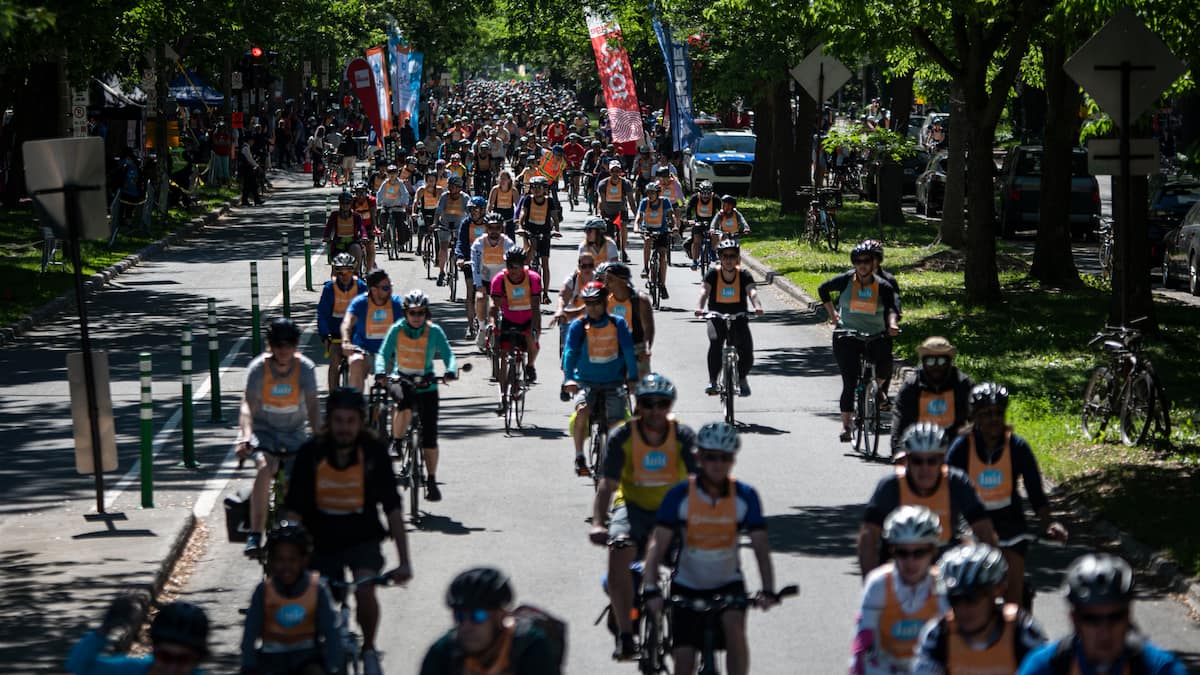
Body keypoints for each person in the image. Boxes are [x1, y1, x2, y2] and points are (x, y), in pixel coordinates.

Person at [284, 387, 414, 675]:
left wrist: (404, 561)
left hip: (362, 538)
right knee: (315, 602)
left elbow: (392, 508)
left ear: (361, 422)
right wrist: (287, 554)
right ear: (330, 421)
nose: (344, 428)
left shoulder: (374, 452)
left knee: (365, 590)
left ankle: (368, 649)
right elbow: (294, 508)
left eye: (351, 421)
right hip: (320, 541)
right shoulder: (311, 452)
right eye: (339, 421)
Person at [643, 422, 780, 675]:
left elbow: (760, 546)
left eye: (725, 458)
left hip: (728, 585)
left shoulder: (746, 496)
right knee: (684, 662)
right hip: (686, 586)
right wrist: (651, 589)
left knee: (734, 628)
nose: (718, 464)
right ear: (699, 458)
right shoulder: (679, 495)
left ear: (733, 460)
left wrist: (768, 590)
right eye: (710, 457)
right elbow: (658, 544)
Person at [590, 374, 697, 660]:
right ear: (639, 405)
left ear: (669, 405)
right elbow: (607, 486)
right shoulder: (622, 436)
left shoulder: (683, 436)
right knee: (618, 551)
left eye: (662, 404)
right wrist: (599, 523)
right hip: (632, 507)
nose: (655, 410)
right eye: (648, 403)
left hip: (674, 511)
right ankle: (626, 636)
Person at [947, 383, 1068, 606]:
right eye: (986, 414)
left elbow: (1035, 491)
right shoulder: (961, 447)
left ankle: (1016, 630)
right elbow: (947, 489)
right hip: (972, 526)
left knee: (1013, 596)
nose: (993, 419)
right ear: (975, 417)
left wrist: (1049, 522)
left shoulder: (1018, 447)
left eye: (998, 413)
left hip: (1011, 526)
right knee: (971, 593)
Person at [857, 423, 998, 577]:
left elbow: (984, 531)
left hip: (946, 570)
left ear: (942, 460)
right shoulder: (890, 486)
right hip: (901, 568)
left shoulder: (956, 482)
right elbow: (868, 536)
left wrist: (990, 578)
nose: (925, 468)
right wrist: (870, 579)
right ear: (907, 460)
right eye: (917, 461)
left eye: (932, 461)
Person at [1017, 554, 1188, 675]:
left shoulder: (1160, 669)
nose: (1104, 631)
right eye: (1091, 619)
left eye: (1115, 617)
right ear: (1075, 620)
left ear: (1128, 615)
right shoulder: (1045, 667)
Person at [236, 318, 321, 557]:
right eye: (278, 345)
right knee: (265, 468)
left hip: (295, 435)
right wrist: (245, 437)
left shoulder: (305, 368)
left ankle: (298, 529)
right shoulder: (258, 369)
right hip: (264, 435)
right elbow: (247, 407)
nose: (283, 350)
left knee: (297, 481)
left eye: (289, 344)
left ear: (296, 346)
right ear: (270, 345)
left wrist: (320, 439)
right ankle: (255, 533)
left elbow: (314, 408)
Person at [375, 289, 458, 503]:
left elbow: (449, 355)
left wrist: (451, 370)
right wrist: (380, 372)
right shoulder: (397, 330)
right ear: (406, 313)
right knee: (403, 402)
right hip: (401, 379)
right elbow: (383, 354)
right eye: (413, 313)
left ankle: (430, 480)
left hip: (426, 384)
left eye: (421, 313)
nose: (417, 317)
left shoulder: (434, 331)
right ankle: (396, 441)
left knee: (430, 437)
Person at [911, 543, 1047, 674]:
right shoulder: (937, 635)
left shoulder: (1024, 633)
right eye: (955, 599)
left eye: (972, 598)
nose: (963, 609)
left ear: (997, 591)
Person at [850, 505, 948, 675]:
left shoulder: (944, 584)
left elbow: (957, 640)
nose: (910, 561)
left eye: (919, 553)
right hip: (886, 667)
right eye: (902, 553)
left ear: (933, 551)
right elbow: (863, 641)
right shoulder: (878, 583)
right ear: (892, 551)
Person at [819, 242, 901, 442]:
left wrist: (892, 324)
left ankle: (878, 389)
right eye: (858, 261)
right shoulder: (847, 279)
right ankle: (846, 427)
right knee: (850, 382)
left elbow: (893, 308)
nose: (862, 265)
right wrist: (833, 315)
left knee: (885, 365)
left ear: (874, 262)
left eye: (866, 261)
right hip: (848, 336)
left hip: (875, 334)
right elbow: (823, 289)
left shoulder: (885, 284)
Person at [240, 523, 342, 675]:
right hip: (271, 662)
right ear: (272, 562)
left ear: (304, 560)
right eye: (280, 560)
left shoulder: (317, 589)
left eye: (292, 559)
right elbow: (249, 635)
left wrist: (334, 666)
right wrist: (248, 666)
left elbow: (331, 632)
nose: (286, 566)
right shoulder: (263, 591)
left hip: (308, 660)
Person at [420, 567, 560, 674]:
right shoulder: (442, 653)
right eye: (460, 616)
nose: (466, 626)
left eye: (478, 616)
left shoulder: (531, 648)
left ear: (501, 615)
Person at [562, 281, 639, 474]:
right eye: (588, 303)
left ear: (605, 302)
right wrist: (569, 378)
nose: (592, 308)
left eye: (596, 303)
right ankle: (580, 456)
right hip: (585, 382)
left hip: (614, 381)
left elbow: (629, 352)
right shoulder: (578, 326)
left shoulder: (618, 324)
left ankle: (614, 458)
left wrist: (633, 377)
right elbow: (569, 353)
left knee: (616, 422)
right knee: (582, 411)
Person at [67, 596, 209, 674]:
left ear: (197, 660)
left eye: (183, 660)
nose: (171, 669)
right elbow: (78, 666)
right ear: (153, 649)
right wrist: (102, 632)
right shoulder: (130, 670)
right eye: (165, 657)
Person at [694, 239, 764, 397]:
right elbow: (704, 292)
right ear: (720, 257)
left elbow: (752, 292)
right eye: (725, 256)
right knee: (715, 342)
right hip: (716, 316)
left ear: (738, 258)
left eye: (732, 256)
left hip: (739, 317)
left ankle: (742, 378)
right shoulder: (713, 274)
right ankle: (713, 381)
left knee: (746, 351)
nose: (728, 260)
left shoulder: (744, 275)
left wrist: (757, 306)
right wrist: (699, 308)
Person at [892, 337, 973, 453]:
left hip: (954, 447)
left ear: (949, 362)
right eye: (930, 361)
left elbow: (977, 418)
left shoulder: (963, 384)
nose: (936, 366)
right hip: (919, 448)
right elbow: (900, 420)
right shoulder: (912, 385)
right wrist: (898, 451)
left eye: (941, 361)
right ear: (923, 362)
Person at [489, 248, 543, 408]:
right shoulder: (499, 279)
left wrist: (535, 329)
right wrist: (492, 323)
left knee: (531, 339)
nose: (513, 270)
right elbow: (494, 306)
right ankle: (502, 397)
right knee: (504, 358)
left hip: (528, 318)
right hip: (508, 319)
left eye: (517, 266)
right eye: (510, 266)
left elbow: (535, 306)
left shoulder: (533, 278)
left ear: (523, 265)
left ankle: (530, 366)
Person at [340, 268, 405, 392]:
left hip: (390, 355)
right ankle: (356, 405)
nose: (390, 290)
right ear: (374, 290)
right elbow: (347, 323)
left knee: (403, 392)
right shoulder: (360, 303)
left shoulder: (396, 303)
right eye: (385, 288)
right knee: (355, 362)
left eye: (390, 286)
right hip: (365, 353)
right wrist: (346, 341)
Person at [317, 253, 368, 393]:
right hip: (336, 334)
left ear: (354, 270)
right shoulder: (329, 288)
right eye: (341, 272)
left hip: (356, 334)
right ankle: (333, 397)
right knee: (334, 363)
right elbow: (322, 313)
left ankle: (357, 396)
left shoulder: (361, 287)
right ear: (336, 272)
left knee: (360, 365)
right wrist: (324, 334)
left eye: (348, 271)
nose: (345, 275)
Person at [601, 261, 656, 379]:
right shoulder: (604, 300)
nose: (606, 283)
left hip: (636, 346)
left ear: (623, 280)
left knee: (641, 386)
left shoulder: (640, 300)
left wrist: (646, 348)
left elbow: (648, 327)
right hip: (611, 346)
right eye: (605, 279)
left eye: (610, 279)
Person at [515, 175, 562, 298]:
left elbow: (554, 218)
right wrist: (520, 226)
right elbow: (523, 214)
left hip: (545, 233)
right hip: (530, 232)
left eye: (539, 187)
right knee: (527, 258)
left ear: (545, 189)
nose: (536, 190)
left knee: (545, 262)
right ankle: (523, 285)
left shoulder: (549, 201)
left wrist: (556, 230)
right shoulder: (528, 200)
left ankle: (545, 293)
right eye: (533, 187)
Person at [453, 197, 493, 336]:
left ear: (482, 210)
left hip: (488, 263)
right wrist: (460, 257)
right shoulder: (466, 223)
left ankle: (489, 323)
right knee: (470, 293)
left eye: (475, 209)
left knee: (489, 293)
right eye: (471, 209)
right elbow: (461, 243)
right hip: (471, 262)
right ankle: (470, 326)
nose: (473, 212)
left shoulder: (490, 223)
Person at [635, 181, 677, 297]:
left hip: (662, 230)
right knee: (647, 240)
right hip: (647, 229)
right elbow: (639, 217)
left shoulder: (665, 201)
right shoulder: (644, 202)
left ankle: (662, 285)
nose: (650, 195)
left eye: (652, 193)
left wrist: (675, 226)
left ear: (657, 193)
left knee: (663, 255)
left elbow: (671, 215)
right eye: (648, 193)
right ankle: (645, 268)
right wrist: (636, 227)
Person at [595, 160, 637, 261]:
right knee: (607, 234)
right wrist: (600, 213)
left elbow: (631, 200)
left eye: (617, 171)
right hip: (608, 211)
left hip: (621, 211)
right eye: (613, 171)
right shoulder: (603, 184)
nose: (615, 174)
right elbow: (601, 200)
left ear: (620, 172)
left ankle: (623, 251)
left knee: (623, 226)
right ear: (609, 172)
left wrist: (637, 215)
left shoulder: (626, 183)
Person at [435, 175, 471, 286]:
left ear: (459, 188)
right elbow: (438, 211)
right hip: (445, 224)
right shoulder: (444, 196)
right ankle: (441, 272)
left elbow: (470, 213)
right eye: (450, 186)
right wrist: (435, 223)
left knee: (461, 245)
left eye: (454, 187)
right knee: (444, 247)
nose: (451, 189)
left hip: (459, 226)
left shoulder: (465, 198)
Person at [323, 190, 369, 272]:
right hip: (338, 244)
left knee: (356, 249)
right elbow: (328, 228)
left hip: (353, 242)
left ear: (351, 204)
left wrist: (364, 236)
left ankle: (357, 273)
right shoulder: (334, 215)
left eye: (347, 203)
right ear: (339, 204)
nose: (345, 205)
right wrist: (326, 237)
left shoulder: (356, 216)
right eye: (343, 203)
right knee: (335, 271)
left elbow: (362, 228)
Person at [376, 164, 411, 251]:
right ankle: (384, 234)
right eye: (390, 173)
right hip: (387, 206)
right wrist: (378, 202)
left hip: (398, 207)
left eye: (394, 173)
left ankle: (401, 242)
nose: (392, 175)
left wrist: (404, 203)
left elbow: (405, 194)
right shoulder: (385, 183)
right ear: (387, 174)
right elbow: (379, 193)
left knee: (400, 225)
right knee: (382, 217)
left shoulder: (400, 183)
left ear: (397, 174)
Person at [685, 181, 718, 268]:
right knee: (696, 241)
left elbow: (721, 211)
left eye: (708, 194)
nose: (705, 197)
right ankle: (695, 261)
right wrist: (689, 219)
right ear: (700, 193)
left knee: (715, 235)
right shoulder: (695, 197)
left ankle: (713, 252)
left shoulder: (715, 198)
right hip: (698, 222)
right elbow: (688, 208)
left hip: (712, 222)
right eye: (703, 194)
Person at [488, 169, 519, 238]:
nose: (502, 181)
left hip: (509, 215)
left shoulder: (513, 191)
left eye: (504, 179)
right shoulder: (495, 189)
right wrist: (488, 215)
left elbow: (518, 206)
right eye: (501, 178)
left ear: (509, 180)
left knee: (511, 236)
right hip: (498, 214)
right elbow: (490, 204)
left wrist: (518, 218)